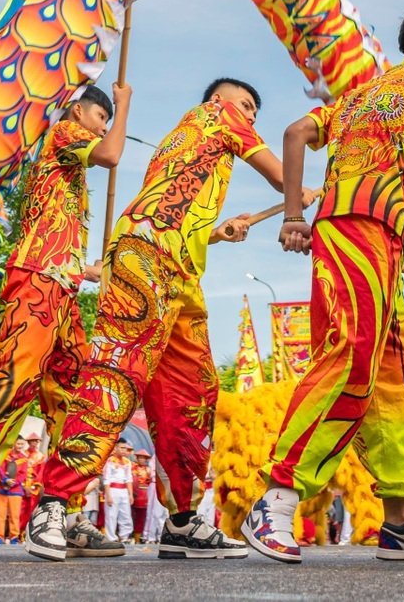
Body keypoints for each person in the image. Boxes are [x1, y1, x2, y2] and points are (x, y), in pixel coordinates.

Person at [244, 4, 404, 565]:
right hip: (363, 227)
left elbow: (294, 132)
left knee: (389, 373)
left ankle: (400, 517)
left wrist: (294, 215)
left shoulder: (359, 96)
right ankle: (277, 497)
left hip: (370, 231)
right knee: (350, 355)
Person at [24, 79, 302, 562]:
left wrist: (219, 232)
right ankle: (52, 503)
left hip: (179, 271)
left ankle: (180, 522)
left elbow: (176, 213)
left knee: (193, 393)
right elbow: (282, 177)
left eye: (255, 110)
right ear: (218, 102)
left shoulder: (191, 141)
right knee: (117, 376)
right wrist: (304, 197)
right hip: (146, 259)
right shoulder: (217, 116)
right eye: (247, 105)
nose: (251, 115)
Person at [0, 82, 130, 560]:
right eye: (100, 116)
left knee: (73, 398)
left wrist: (88, 269)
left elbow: (56, 230)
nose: (103, 125)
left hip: (62, 287)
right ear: (80, 111)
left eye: (107, 117)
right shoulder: (63, 133)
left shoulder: (71, 169)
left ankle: (69, 511)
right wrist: (127, 103)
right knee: (12, 387)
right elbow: (113, 153)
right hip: (35, 283)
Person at [101, 452, 134, 544]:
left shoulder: (127, 461)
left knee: (126, 514)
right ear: (116, 448)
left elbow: (129, 479)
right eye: (121, 448)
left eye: (125, 448)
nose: (123, 450)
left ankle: (125, 536)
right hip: (112, 489)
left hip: (124, 490)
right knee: (111, 515)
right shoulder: (110, 461)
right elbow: (106, 479)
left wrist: (130, 494)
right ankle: (111, 537)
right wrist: (108, 495)